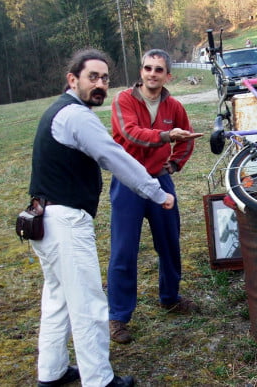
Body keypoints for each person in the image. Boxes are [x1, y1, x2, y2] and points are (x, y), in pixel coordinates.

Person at [28, 48, 175, 387]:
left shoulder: (57, 111)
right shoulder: (76, 116)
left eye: (105, 78)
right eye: (92, 77)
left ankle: (51, 373)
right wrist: (157, 193)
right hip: (64, 223)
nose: (100, 84)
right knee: (89, 305)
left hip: (43, 220)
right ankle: (99, 380)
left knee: (58, 300)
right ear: (72, 79)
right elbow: (114, 157)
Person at [107, 49, 203, 344]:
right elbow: (131, 134)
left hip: (160, 182)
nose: (152, 73)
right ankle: (118, 317)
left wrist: (174, 163)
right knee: (124, 251)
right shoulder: (124, 100)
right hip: (128, 183)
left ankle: (170, 297)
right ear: (141, 71)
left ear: (167, 76)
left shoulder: (173, 106)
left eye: (158, 69)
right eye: (148, 68)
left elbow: (186, 138)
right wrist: (164, 136)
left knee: (170, 242)